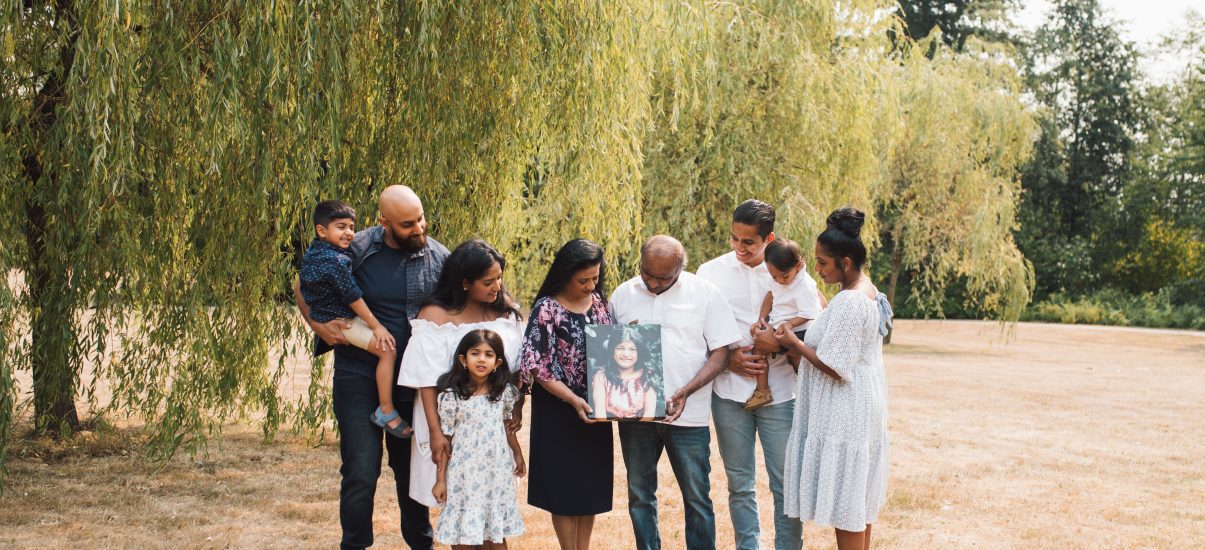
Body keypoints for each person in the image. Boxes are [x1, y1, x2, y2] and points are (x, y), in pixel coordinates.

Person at [293, 185, 446, 550]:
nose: (419, 228)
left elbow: (465, 297)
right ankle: (355, 544)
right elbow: (303, 284)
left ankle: (420, 543)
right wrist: (317, 324)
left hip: (411, 379)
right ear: (384, 223)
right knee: (361, 469)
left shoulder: (438, 256)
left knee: (411, 471)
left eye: (421, 218)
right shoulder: (356, 247)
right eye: (408, 224)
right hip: (358, 374)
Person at [610, 235, 742, 550]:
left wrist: (687, 390)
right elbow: (609, 351)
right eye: (647, 274)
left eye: (663, 277)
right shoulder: (623, 294)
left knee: (697, 497)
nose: (653, 283)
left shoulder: (705, 294)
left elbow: (721, 353)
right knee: (640, 495)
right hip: (636, 416)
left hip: (689, 416)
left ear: (680, 269)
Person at [775, 207, 892, 550]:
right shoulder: (863, 291)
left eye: (823, 263)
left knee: (848, 503)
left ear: (844, 262)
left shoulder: (851, 301)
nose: (817, 269)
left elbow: (836, 365)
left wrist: (793, 343)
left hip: (847, 411)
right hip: (860, 405)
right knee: (856, 502)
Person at [695, 199, 804, 550]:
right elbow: (695, 332)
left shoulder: (792, 270)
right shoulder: (709, 273)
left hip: (781, 392)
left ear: (768, 239)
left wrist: (781, 343)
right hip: (728, 394)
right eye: (734, 239)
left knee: (786, 483)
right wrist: (729, 361)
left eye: (749, 242)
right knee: (739, 484)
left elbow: (813, 322)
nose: (739, 248)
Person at [396, 239, 525, 511]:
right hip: (452, 422)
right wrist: (436, 432)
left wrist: (517, 408)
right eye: (488, 282)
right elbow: (426, 381)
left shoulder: (504, 309)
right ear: (465, 282)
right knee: (457, 503)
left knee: (492, 503)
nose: (497, 287)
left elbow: (517, 367)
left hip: (491, 423)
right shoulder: (435, 315)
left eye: (499, 278)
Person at [519, 238, 615, 550]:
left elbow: (611, 350)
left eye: (595, 278)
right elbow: (537, 365)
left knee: (589, 489)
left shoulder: (599, 303)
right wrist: (574, 400)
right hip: (560, 408)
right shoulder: (547, 308)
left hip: (596, 406)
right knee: (563, 490)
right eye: (583, 280)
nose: (591, 286)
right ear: (565, 275)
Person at [299, 200, 411, 437]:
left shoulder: (317, 250)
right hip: (341, 320)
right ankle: (386, 410)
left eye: (351, 226)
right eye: (341, 227)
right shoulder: (336, 261)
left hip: (327, 313)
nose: (349, 233)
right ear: (321, 231)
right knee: (388, 351)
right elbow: (353, 297)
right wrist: (377, 327)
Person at [432, 329, 525, 549]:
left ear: (497, 362)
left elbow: (506, 427)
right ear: (463, 359)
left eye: (489, 354)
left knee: (495, 536)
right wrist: (440, 480)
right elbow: (446, 441)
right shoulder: (451, 396)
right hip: (464, 477)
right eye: (475, 353)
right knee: (464, 535)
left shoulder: (504, 393)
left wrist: (518, 454)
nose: (482, 359)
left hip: (495, 474)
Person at [744, 238, 823, 411]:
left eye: (784, 276)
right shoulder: (777, 279)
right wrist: (761, 319)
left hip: (799, 330)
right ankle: (764, 391)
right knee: (760, 346)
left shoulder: (805, 285)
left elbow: (809, 313)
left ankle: (808, 393)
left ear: (799, 265)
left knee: (792, 358)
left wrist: (788, 325)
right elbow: (770, 296)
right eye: (774, 276)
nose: (779, 280)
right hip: (780, 325)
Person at [590, 327, 660, 421]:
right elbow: (600, 413)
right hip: (608, 427)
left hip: (642, 428)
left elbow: (649, 413)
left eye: (632, 349)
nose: (626, 354)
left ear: (639, 352)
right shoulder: (601, 376)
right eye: (620, 348)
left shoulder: (647, 375)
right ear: (612, 350)